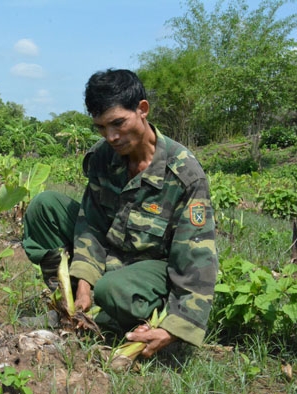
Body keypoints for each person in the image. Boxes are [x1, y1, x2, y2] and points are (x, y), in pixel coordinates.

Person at [22, 69, 218, 357]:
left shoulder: (184, 175)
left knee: (113, 290)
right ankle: (69, 308)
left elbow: (196, 259)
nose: (111, 137)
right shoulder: (103, 156)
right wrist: (84, 283)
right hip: (108, 255)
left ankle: (118, 317)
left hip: (152, 269)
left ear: (142, 110)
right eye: (101, 127)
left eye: (118, 123)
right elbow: (90, 224)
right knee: (45, 206)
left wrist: (177, 327)